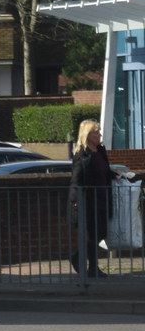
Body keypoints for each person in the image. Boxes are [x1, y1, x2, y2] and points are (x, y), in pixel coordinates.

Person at [68, 119, 116, 278]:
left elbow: (105, 171)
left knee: (100, 233)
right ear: (88, 135)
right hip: (89, 199)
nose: (99, 134)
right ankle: (92, 267)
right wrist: (75, 199)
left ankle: (79, 257)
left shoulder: (100, 151)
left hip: (102, 197)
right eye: (96, 132)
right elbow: (76, 178)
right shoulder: (82, 153)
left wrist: (118, 176)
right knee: (94, 233)